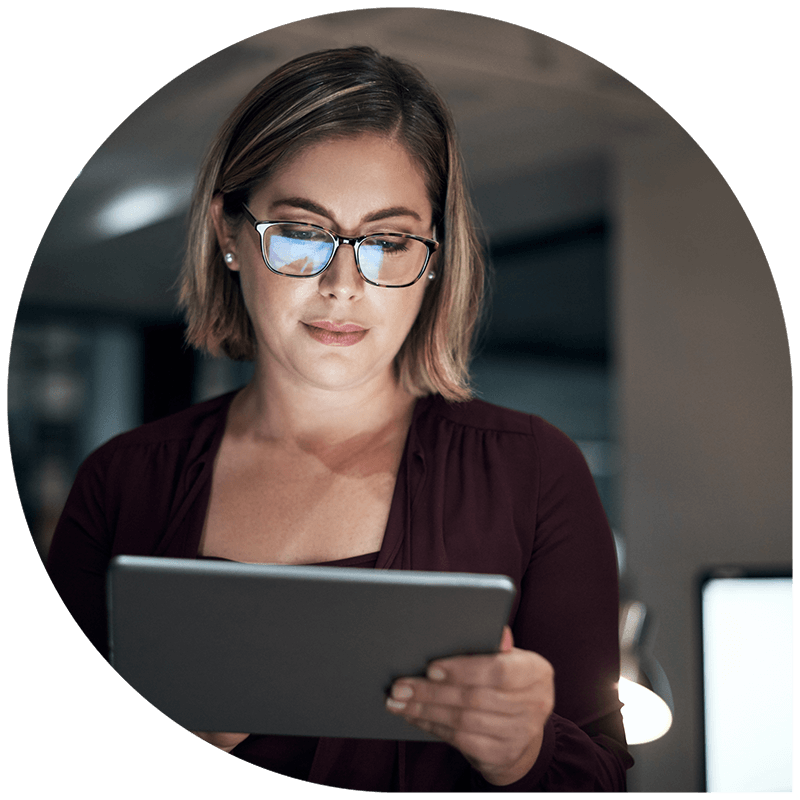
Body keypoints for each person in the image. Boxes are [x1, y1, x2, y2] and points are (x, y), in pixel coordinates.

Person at [46, 46, 633, 791]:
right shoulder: (124, 480)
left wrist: (525, 753)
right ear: (229, 233)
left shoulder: (534, 471)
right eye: (301, 233)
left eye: (388, 242)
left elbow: (604, 778)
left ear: (434, 258)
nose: (343, 285)